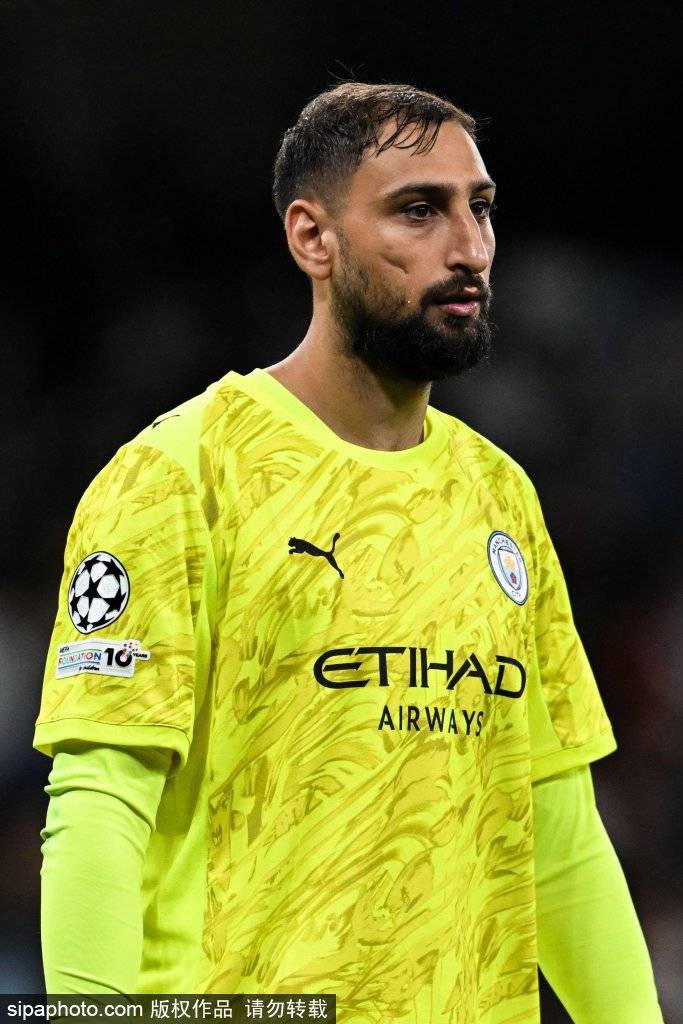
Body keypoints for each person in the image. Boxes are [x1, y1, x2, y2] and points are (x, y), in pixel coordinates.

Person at [35, 82, 664, 1023]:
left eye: (480, 209)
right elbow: (99, 807)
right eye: (419, 210)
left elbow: (558, 834)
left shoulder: (499, 496)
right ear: (312, 238)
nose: (468, 248)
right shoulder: (182, 475)